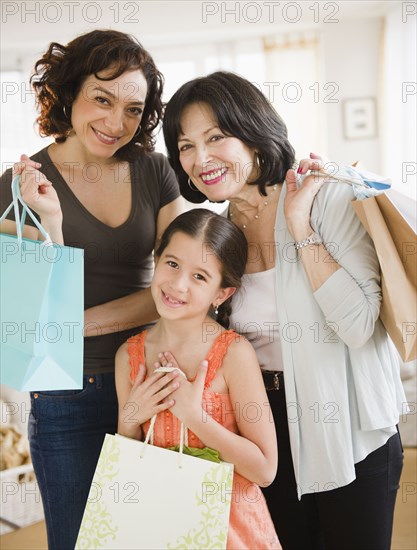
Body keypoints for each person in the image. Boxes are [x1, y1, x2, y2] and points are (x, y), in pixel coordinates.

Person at [159, 72, 406, 550]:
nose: (200, 158)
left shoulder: (327, 196)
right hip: (262, 430)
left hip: (346, 424)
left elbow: (358, 326)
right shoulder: (218, 234)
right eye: (186, 145)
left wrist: (300, 227)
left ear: (253, 131)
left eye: (216, 137)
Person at [0, 30, 183, 549]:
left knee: (157, 536)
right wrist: (52, 225)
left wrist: (76, 325)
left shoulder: (155, 171)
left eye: (133, 108)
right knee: (81, 541)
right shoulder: (21, 187)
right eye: (102, 99)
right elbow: (26, 313)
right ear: (70, 91)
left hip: (149, 376)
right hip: (64, 395)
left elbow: (176, 285)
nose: (115, 122)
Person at [116, 208, 280, 549]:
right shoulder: (128, 356)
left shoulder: (235, 354)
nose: (177, 284)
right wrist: (128, 422)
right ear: (156, 260)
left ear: (222, 294)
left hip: (230, 531)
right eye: (172, 264)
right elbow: (129, 458)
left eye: (200, 276)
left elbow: (265, 470)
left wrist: (195, 417)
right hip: (158, 526)